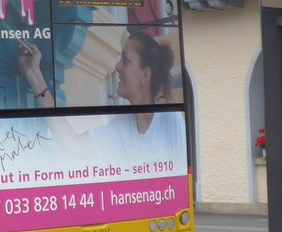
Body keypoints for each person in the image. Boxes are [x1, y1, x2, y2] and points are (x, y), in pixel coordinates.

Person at [51, 31, 183, 162]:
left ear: (145, 75)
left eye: (126, 60)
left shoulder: (170, 119)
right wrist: (37, 81)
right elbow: (74, 147)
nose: (118, 66)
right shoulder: (122, 125)